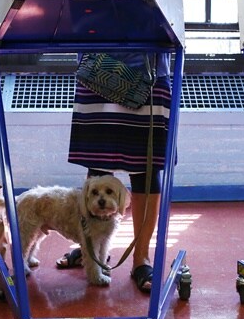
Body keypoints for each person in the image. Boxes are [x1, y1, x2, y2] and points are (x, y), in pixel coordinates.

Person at [57, 51, 172, 293]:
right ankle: (94, 250)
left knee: (146, 170)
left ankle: (141, 258)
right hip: (98, 66)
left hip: (148, 70)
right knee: (97, 167)